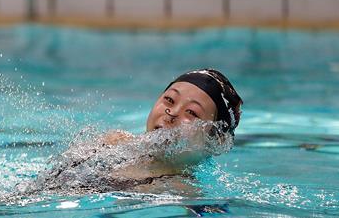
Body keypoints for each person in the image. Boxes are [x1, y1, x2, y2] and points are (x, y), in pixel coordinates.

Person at [25, 68, 244, 195]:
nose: (172, 113)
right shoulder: (112, 143)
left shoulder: (181, 192)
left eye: (192, 112)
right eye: (169, 99)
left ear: (215, 140)